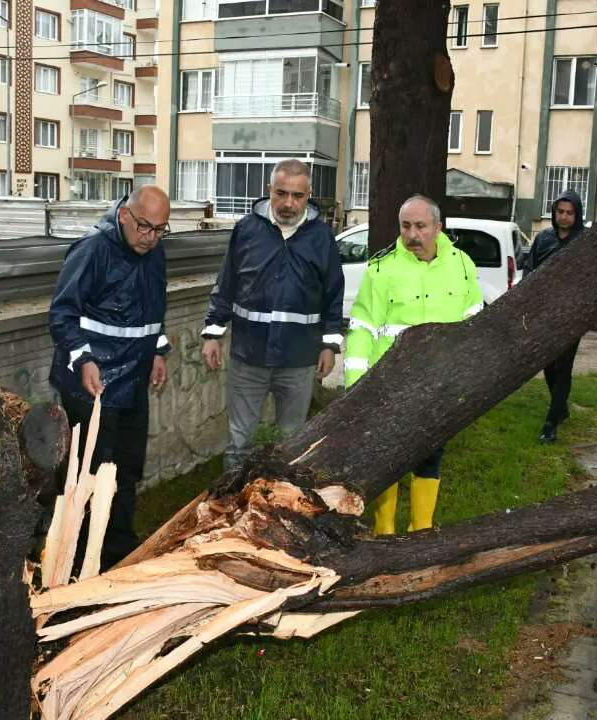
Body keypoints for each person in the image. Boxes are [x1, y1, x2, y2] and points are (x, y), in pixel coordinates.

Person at [343, 194, 483, 534]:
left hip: (439, 386)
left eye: (421, 226)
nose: (412, 234)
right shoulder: (382, 268)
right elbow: (362, 329)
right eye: (406, 226)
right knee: (387, 459)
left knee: (429, 456)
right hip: (388, 386)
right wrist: (356, 388)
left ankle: (422, 529)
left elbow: (475, 326)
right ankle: (385, 529)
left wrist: (469, 379)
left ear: (438, 227)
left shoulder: (463, 265)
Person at [48, 186, 172, 570]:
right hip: (92, 386)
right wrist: (83, 359)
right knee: (88, 476)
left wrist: (158, 350)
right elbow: (62, 314)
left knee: (126, 471)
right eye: (144, 227)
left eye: (160, 230)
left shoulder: (154, 253)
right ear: (123, 215)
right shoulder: (92, 250)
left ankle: (118, 550)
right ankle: (79, 558)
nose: (150, 237)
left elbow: (153, 309)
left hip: (133, 381)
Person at [201, 159, 344, 470]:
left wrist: (330, 346)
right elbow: (226, 284)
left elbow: (333, 295)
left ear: (309, 195)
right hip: (248, 356)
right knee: (240, 441)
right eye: (281, 193)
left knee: (291, 442)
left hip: (299, 359)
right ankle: (231, 509)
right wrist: (213, 333)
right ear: (269, 190)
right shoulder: (247, 229)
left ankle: (280, 509)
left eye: (297, 195)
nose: (288, 203)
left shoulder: (321, 237)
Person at [523, 189, 586, 443]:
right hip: (544, 314)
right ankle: (561, 408)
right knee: (548, 365)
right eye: (560, 212)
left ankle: (550, 423)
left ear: (577, 214)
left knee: (564, 367)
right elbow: (530, 268)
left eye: (570, 213)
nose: (564, 217)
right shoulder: (544, 238)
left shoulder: (585, 239)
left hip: (572, 314)